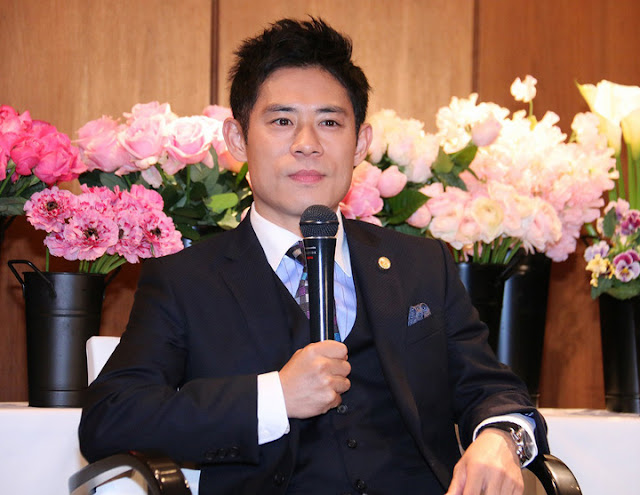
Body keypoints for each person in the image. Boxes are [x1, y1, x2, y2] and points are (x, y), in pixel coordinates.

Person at [79, 17, 549, 495]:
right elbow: (111, 418)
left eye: (330, 122)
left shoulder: (421, 264)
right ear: (238, 139)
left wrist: (501, 436)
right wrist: (276, 398)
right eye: (282, 121)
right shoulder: (186, 280)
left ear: (360, 143)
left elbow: (492, 388)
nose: (307, 144)